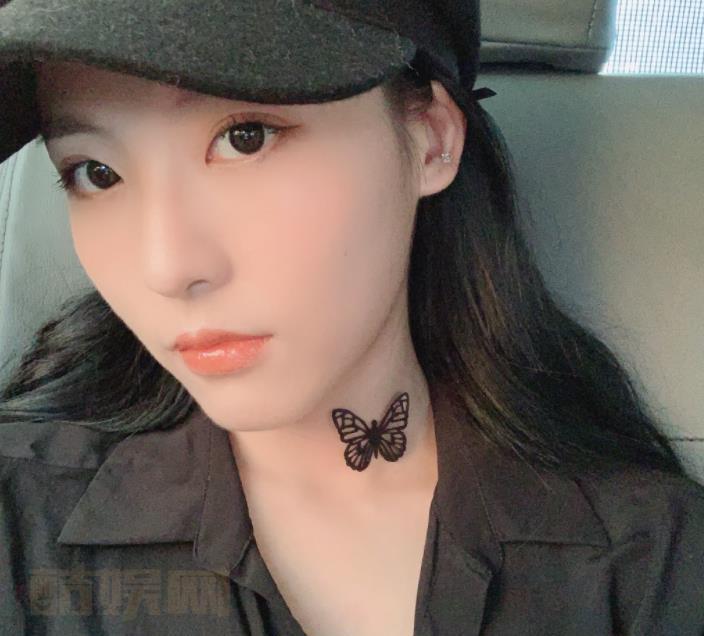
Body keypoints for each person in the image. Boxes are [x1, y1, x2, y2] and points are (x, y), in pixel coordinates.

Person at [0, 1, 702, 634]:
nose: (168, 267)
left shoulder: (649, 563)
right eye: (95, 172)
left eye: (246, 137)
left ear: (430, 139)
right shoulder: (21, 522)